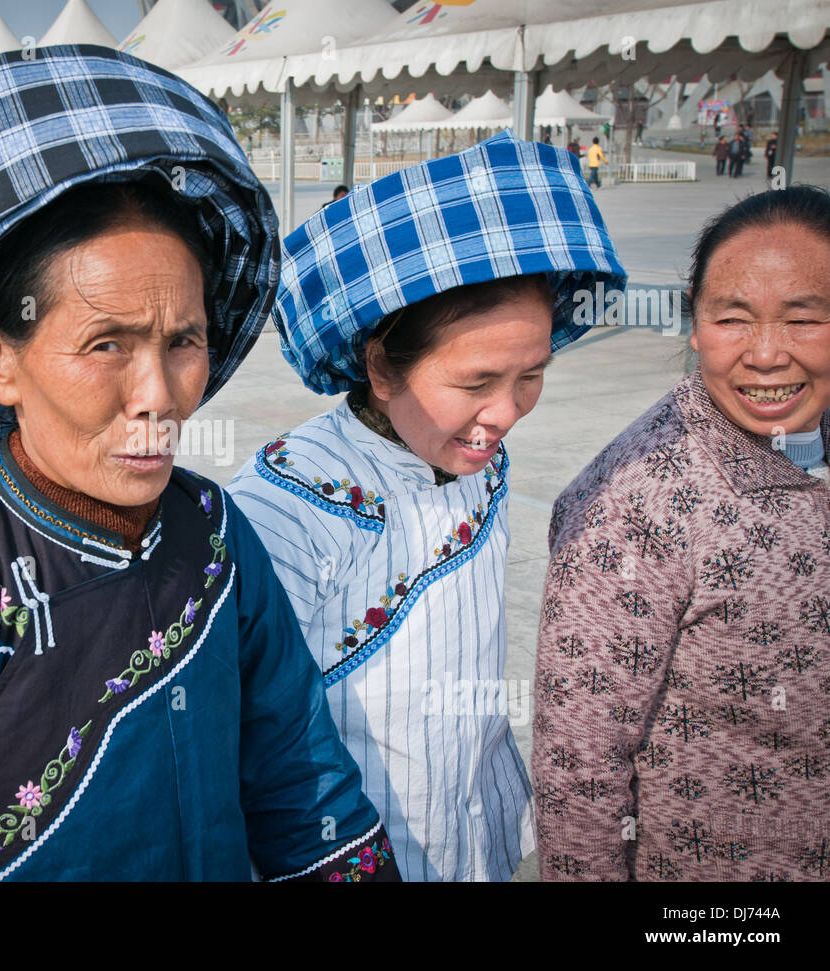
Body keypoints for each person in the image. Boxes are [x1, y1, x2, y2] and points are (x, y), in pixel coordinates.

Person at [0, 45, 397, 883]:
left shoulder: (216, 536)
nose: (158, 395)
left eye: (183, 340)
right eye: (105, 345)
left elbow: (299, 783)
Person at [227, 132, 627, 881]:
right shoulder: (287, 506)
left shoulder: (480, 463)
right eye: (476, 383)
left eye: (531, 375)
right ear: (380, 365)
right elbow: (246, 735)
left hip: (480, 840)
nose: (506, 412)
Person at [533, 185, 830, 881]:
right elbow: (580, 772)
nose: (765, 354)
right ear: (692, 319)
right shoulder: (636, 504)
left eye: (803, 319)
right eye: (733, 318)